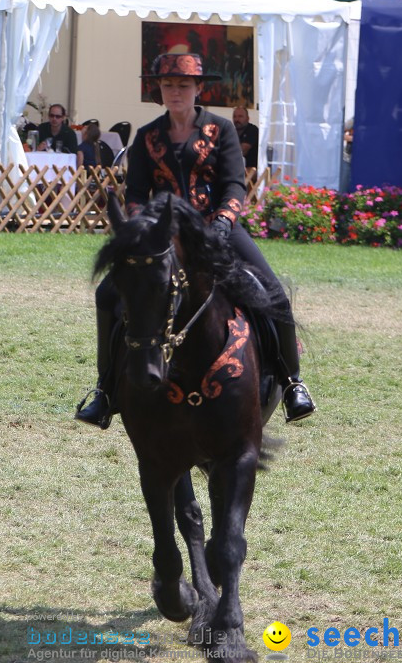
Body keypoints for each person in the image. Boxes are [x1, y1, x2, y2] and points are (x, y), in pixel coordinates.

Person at [75, 53, 315, 429]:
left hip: (219, 229)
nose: (175, 92)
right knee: (107, 293)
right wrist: (143, 226)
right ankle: (105, 391)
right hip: (163, 236)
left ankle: (291, 383)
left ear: (198, 88)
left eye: (183, 85)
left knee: (273, 293)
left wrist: (222, 222)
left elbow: (235, 184)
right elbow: (136, 192)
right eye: (168, 85)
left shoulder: (222, 129)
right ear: (160, 89)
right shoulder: (147, 135)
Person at [233, 106, 258, 171]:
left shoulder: (252, 130)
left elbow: (242, 151)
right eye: (234, 116)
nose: (237, 119)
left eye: (240, 116)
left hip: (252, 169)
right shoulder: (232, 131)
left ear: (248, 118)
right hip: (235, 167)